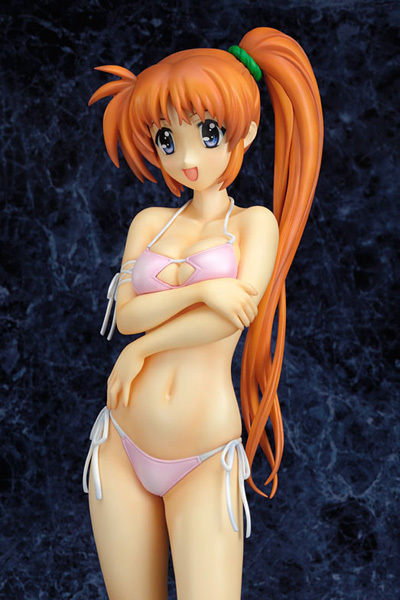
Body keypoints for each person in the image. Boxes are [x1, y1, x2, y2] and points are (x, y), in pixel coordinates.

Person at [83, 27, 323, 600]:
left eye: (207, 133)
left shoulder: (255, 224)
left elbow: (232, 316)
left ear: (248, 130)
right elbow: (127, 316)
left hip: (204, 455)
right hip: (121, 440)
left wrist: (143, 349)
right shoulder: (149, 223)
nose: (188, 158)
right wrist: (201, 293)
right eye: (168, 139)